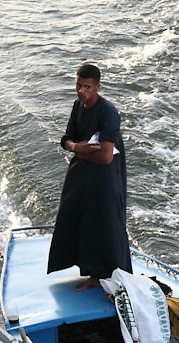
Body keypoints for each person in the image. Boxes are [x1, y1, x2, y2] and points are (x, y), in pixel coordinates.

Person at [47, 63, 131, 291]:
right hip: (82, 173)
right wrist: (77, 147)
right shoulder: (78, 105)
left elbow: (105, 157)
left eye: (87, 87)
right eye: (78, 85)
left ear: (97, 87)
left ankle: (109, 274)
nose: (81, 91)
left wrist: (80, 151)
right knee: (77, 217)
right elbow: (66, 139)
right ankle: (91, 271)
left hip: (105, 176)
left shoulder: (108, 112)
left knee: (105, 222)